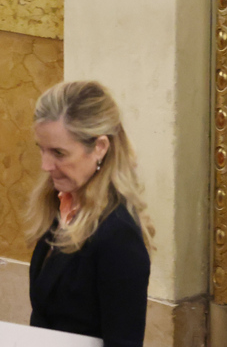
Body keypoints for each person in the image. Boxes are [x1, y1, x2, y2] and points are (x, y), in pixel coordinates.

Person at [27, 80, 154, 347]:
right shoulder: (61, 206)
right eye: (42, 149)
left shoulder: (117, 233)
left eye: (59, 153)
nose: (45, 165)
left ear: (99, 147)